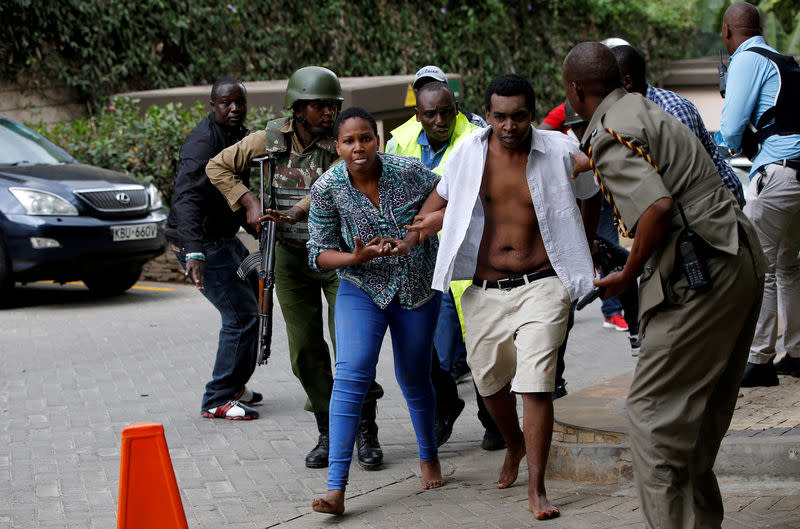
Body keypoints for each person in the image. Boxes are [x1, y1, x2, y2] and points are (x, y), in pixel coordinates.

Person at [563, 41, 765, 529]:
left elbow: (656, 207)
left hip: (703, 272)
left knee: (651, 418)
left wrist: (628, 274)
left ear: (574, 90)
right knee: (694, 424)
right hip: (738, 257)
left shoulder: (609, 134)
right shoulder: (642, 107)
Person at [411, 74, 600, 520]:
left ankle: (537, 487)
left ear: (532, 113)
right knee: (489, 384)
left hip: (544, 284)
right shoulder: (468, 153)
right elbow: (435, 202)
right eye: (500, 116)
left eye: (518, 116)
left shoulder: (558, 149)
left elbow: (592, 195)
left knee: (536, 384)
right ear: (487, 114)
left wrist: (585, 246)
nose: (509, 125)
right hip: (484, 289)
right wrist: (421, 228)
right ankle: (514, 444)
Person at [206, 67, 384, 469]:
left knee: (352, 347)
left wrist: (295, 210)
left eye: (332, 105)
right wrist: (249, 201)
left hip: (342, 253)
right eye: (320, 105)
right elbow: (217, 167)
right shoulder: (269, 139)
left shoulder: (342, 140)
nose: (328, 112)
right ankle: (328, 427)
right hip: (288, 255)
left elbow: (340, 178)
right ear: (298, 108)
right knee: (305, 350)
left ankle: (364, 428)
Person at [308, 107, 444, 515]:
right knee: (351, 373)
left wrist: (418, 233)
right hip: (361, 287)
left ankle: (429, 456)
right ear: (338, 147)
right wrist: (353, 258)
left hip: (417, 287)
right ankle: (336, 488)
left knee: (414, 376)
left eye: (365, 138)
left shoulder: (410, 171)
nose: (358, 147)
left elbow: (450, 196)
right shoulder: (327, 188)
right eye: (349, 141)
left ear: (377, 140)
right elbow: (317, 253)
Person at [387, 77, 505, 449]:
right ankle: (447, 404)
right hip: (418, 256)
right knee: (422, 345)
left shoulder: (477, 139)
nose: (440, 120)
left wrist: (443, 218)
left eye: (447, 112)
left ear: (457, 108)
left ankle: (494, 420)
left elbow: (491, 196)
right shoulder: (399, 140)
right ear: (417, 115)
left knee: (479, 342)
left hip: (468, 254)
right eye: (431, 113)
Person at [165, 77, 261, 420]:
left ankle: (234, 385)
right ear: (212, 106)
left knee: (254, 296)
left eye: (239, 102)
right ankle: (217, 397)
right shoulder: (202, 143)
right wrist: (193, 252)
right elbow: (187, 198)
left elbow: (238, 190)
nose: (234, 108)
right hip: (202, 242)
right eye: (226, 103)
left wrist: (259, 227)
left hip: (223, 237)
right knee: (241, 316)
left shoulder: (238, 135)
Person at [719, 2, 800, 387]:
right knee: (790, 266)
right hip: (797, 173)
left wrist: (729, 145)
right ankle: (797, 353)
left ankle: (760, 359)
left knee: (759, 267)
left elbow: (732, 127)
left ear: (727, 32)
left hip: (778, 172)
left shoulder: (746, 59)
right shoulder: (784, 60)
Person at [611, 44, 746, 208]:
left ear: (627, 82)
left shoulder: (673, 109)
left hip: (717, 205)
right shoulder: (629, 116)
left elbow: (688, 173)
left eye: (608, 84)